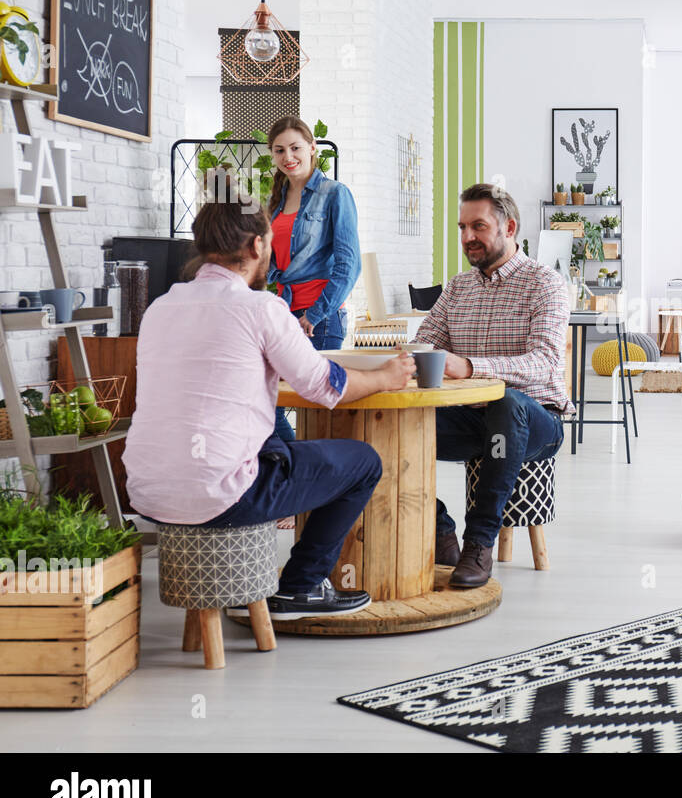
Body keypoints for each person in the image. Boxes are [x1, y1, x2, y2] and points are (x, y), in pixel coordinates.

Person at [123, 199, 415, 620]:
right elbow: (322, 386)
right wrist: (387, 376)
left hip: (147, 490)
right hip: (219, 493)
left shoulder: (160, 308)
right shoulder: (260, 308)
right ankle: (302, 587)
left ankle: (281, 583)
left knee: (272, 440)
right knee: (363, 462)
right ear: (257, 246)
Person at [413, 183, 571, 589]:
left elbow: (544, 363)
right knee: (389, 423)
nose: (468, 238)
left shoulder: (545, 284)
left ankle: (478, 542)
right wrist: (404, 356)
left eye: (478, 226)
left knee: (505, 403)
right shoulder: (458, 287)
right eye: (462, 227)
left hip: (537, 421)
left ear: (509, 227)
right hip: (472, 423)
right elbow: (426, 343)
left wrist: (468, 367)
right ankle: (440, 528)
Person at [265, 115, 362, 443]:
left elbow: (349, 265)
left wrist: (314, 315)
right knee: (269, 402)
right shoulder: (277, 200)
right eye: (279, 150)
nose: (287, 157)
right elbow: (271, 262)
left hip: (319, 319)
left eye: (295, 147)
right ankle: (296, 471)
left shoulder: (335, 193)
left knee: (316, 409)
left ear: (311, 148)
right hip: (284, 315)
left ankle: (312, 480)